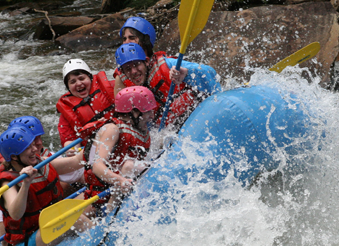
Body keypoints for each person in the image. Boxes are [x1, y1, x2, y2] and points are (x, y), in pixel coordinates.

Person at [0, 126, 90, 246]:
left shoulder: (40, 163)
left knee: (91, 201)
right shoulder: (6, 183)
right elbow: (15, 214)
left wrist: (95, 142)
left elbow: (75, 163)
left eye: (33, 145)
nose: (35, 149)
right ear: (14, 156)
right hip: (30, 242)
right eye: (28, 148)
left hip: (50, 224)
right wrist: (26, 184)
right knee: (75, 219)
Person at [79, 86, 156, 214]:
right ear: (134, 113)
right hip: (103, 193)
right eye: (148, 111)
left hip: (123, 185)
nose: (152, 115)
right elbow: (97, 166)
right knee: (129, 166)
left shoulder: (141, 131)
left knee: (133, 166)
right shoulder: (112, 129)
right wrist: (121, 181)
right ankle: (110, 211)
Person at [114, 42, 221, 128]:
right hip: (174, 131)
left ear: (146, 62)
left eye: (137, 65)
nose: (134, 71)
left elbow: (210, 73)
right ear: (123, 72)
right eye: (128, 69)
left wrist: (187, 74)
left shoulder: (168, 65)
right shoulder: (130, 91)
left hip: (200, 114)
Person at [56, 59, 115, 149]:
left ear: (90, 78)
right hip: (95, 150)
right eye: (73, 82)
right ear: (69, 88)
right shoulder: (67, 112)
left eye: (82, 78)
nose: (79, 83)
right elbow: (68, 140)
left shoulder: (111, 88)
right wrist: (71, 148)